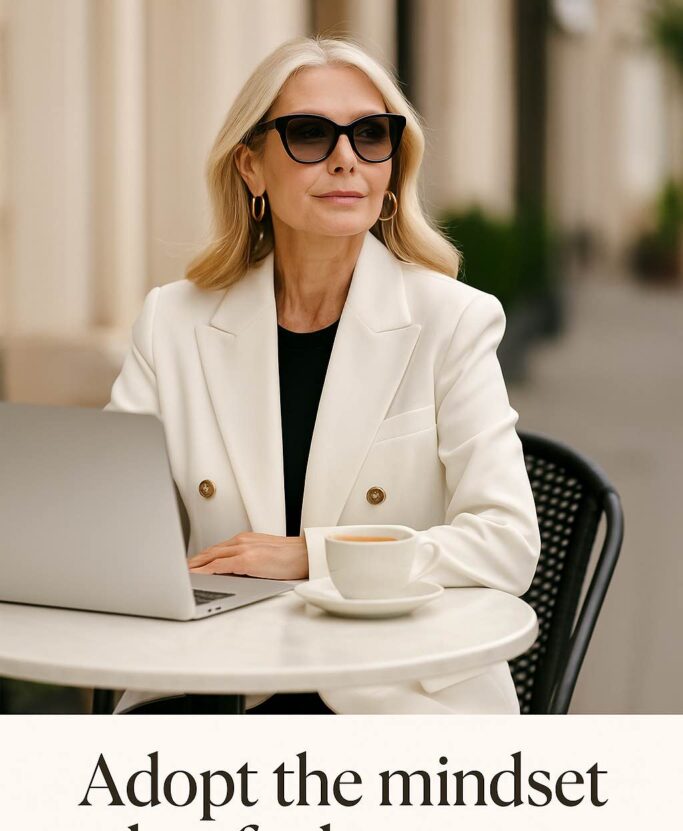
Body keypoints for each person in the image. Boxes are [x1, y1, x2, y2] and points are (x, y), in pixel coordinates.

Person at [108, 35, 540, 716]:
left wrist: (310, 556)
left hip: (389, 691)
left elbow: (506, 544)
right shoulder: (173, 322)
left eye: (371, 135)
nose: (346, 158)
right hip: (211, 678)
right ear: (251, 167)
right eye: (309, 134)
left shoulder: (452, 321)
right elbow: (112, 525)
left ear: (393, 166)